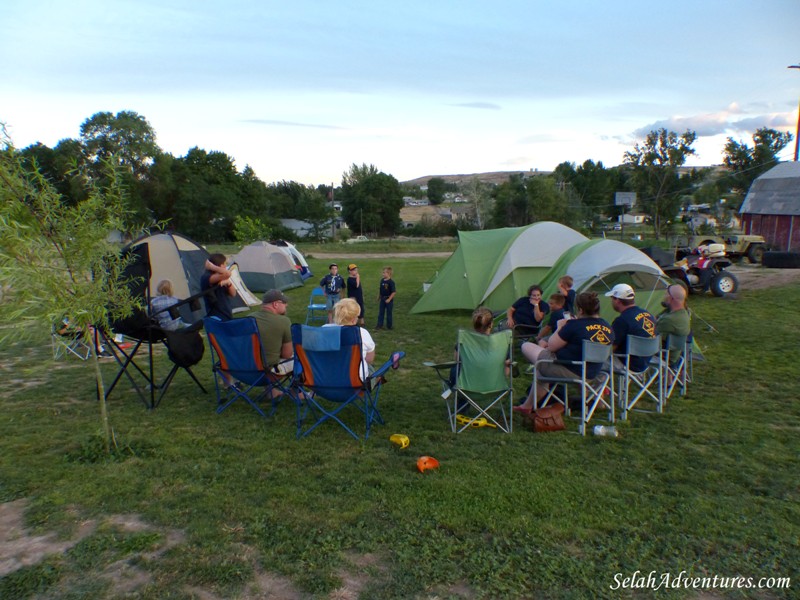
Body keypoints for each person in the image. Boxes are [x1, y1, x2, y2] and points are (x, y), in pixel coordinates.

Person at [514, 291, 613, 413]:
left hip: (571, 370)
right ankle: (527, 406)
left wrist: (561, 327)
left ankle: (528, 406)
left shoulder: (574, 325)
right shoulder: (608, 327)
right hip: (593, 372)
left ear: (580, 310)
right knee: (541, 368)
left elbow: (551, 347)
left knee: (527, 347)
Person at [448, 307, 512, 412]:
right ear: (491, 324)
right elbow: (507, 368)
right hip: (494, 387)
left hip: (467, 387)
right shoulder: (501, 343)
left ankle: (461, 407)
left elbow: (456, 359)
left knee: (457, 368)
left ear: (474, 323)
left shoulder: (465, 341)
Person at [605, 283, 655, 372]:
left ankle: (596, 385)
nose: (611, 301)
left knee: (594, 361)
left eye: (612, 298)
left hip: (629, 363)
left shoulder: (622, 321)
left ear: (617, 301)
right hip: (646, 359)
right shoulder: (648, 314)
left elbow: (611, 348)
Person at [324, 298, 375, 381]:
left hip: (326, 380)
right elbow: (369, 359)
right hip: (355, 383)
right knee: (371, 369)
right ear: (353, 319)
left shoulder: (324, 330)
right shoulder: (362, 333)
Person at [253, 289, 293, 375]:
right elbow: (287, 355)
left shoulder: (248, 318)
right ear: (275, 304)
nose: (287, 305)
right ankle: (295, 388)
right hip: (268, 371)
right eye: (284, 302)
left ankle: (271, 388)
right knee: (302, 358)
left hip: (245, 369)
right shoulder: (284, 321)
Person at [201, 254, 236, 321]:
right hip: (215, 315)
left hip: (226, 312)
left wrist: (229, 283)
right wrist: (211, 267)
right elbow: (228, 274)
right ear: (218, 264)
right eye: (224, 264)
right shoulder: (207, 277)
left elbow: (233, 294)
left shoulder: (223, 277)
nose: (225, 266)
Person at [376, 266, 396, 330]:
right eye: (383, 272)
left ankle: (389, 326)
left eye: (384, 273)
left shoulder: (391, 282)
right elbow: (380, 289)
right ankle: (379, 325)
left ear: (389, 274)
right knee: (381, 312)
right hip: (382, 299)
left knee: (389, 313)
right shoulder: (382, 280)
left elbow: (393, 292)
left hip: (388, 300)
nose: (383, 274)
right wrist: (379, 296)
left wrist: (389, 299)